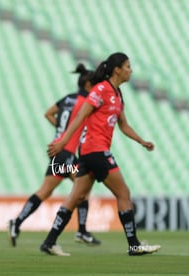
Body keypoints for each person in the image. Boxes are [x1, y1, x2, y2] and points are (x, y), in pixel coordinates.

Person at [42, 52, 161, 256]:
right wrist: (62, 142)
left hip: (90, 152)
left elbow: (124, 125)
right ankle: (134, 245)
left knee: (76, 197)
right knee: (123, 193)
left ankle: (49, 242)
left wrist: (141, 141)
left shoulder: (117, 94)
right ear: (117, 70)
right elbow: (81, 115)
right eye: (128, 66)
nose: (131, 70)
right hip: (96, 150)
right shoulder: (100, 90)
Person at [8, 64, 100, 250]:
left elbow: (48, 113)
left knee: (45, 192)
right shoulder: (85, 102)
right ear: (89, 84)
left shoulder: (68, 99)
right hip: (66, 153)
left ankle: (16, 222)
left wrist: (61, 130)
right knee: (83, 187)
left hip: (59, 153)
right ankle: (81, 231)